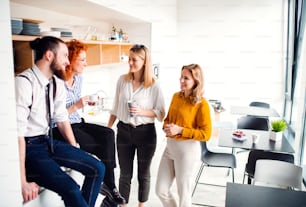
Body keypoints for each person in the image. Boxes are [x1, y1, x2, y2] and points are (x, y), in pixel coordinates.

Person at [15, 36, 105, 207]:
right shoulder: (24, 83)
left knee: (98, 168)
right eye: (64, 55)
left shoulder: (56, 82)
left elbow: (62, 118)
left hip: (46, 141)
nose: (67, 60)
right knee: (71, 188)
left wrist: (73, 147)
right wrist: (22, 181)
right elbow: (17, 136)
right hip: (29, 148)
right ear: (49, 55)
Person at [51, 39, 126, 207]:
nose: (86, 64)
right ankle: (104, 188)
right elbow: (54, 117)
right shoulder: (56, 82)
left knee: (108, 133)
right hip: (60, 129)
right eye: (82, 60)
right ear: (70, 60)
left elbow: (74, 109)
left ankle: (111, 187)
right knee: (99, 146)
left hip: (77, 122)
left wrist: (81, 105)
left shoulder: (79, 79)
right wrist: (76, 105)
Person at [107, 44, 166, 207]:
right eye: (129, 59)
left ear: (144, 61)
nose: (130, 63)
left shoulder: (154, 85)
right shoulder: (122, 81)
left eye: (134, 60)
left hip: (145, 133)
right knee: (124, 174)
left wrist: (142, 111)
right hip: (124, 131)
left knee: (143, 174)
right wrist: (108, 128)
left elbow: (161, 113)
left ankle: (141, 205)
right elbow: (115, 106)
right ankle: (123, 205)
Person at [155, 64, 212, 207]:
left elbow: (206, 134)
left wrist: (180, 130)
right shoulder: (176, 96)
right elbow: (169, 119)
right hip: (170, 148)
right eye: (181, 77)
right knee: (161, 190)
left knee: (184, 195)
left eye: (186, 78)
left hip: (187, 152)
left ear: (196, 81)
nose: (181, 80)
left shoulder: (202, 104)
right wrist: (166, 127)